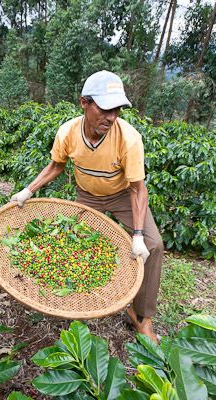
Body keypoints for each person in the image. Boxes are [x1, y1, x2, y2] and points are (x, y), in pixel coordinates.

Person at [10, 70, 164, 343]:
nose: (112, 117)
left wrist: (138, 235)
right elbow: (57, 165)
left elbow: (138, 189)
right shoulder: (68, 132)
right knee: (74, 243)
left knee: (153, 245)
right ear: (84, 103)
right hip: (88, 195)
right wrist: (28, 190)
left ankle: (142, 316)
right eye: (105, 109)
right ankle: (75, 298)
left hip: (121, 195)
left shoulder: (129, 139)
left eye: (117, 110)